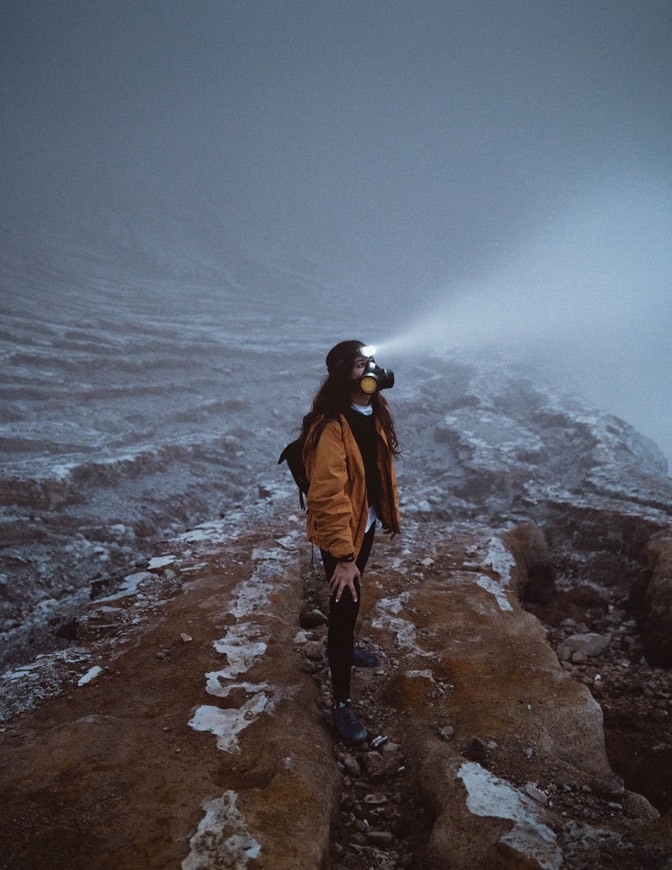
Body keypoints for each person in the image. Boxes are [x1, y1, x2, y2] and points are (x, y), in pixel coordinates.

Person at [300, 340, 401, 743]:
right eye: (362, 365)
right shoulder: (331, 426)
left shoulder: (372, 411)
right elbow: (326, 496)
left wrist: (383, 516)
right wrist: (343, 557)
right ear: (345, 375)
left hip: (365, 524)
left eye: (371, 362)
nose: (371, 369)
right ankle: (342, 704)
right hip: (342, 535)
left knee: (352, 604)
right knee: (344, 611)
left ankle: (340, 649)